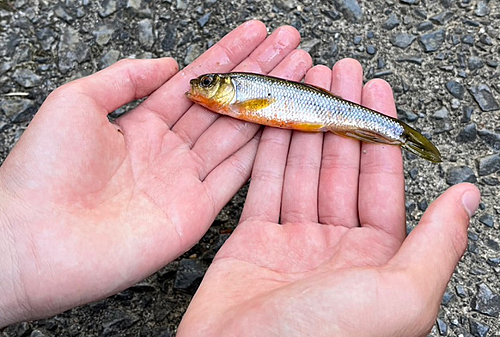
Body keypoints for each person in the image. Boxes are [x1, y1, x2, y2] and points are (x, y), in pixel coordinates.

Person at [0, 20, 480, 336]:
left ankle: (396, 133)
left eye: (208, 84)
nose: (199, 88)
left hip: (318, 112)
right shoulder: (233, 97)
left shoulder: (241, 94)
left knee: (354, 121)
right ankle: (395, 133)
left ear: (225, 89)